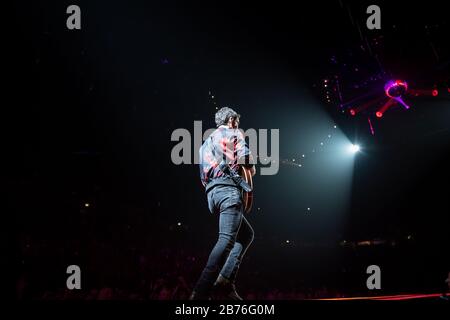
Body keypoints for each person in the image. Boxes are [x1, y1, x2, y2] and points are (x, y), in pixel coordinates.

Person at [190, 107, 256, 300]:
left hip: (213, 194)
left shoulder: (205, 144)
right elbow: (246, 160)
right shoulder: (234, 133)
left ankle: (225, 280)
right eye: (236, 120)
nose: (238, 124)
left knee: (246, 235)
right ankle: (201, 292)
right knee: (226, 240)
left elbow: (203, 177)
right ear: (230, 120)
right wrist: (251, 169)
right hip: (228, 192)